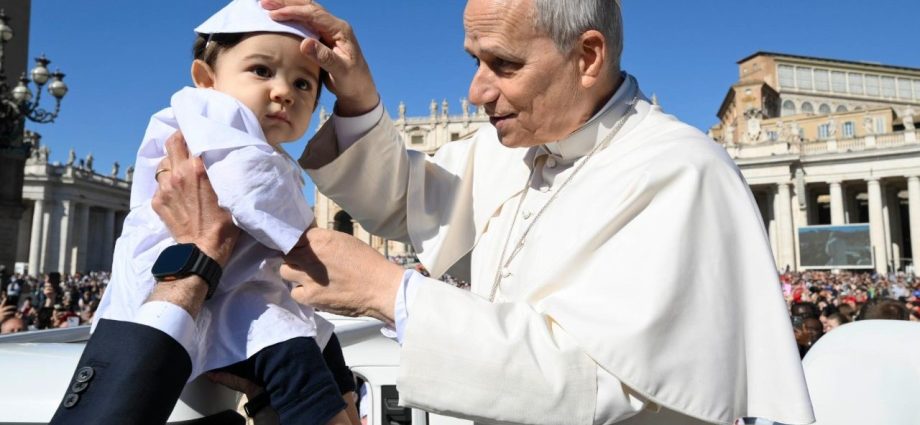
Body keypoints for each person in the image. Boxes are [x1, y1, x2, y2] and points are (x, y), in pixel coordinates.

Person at [162, 0, 815, 423]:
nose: (476, 91)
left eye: (503, 65)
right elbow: (400, 197)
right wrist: (356, 95)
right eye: (474, 61)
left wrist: (391, 293)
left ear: (587, 57)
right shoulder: (504, 146)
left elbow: (602, 387)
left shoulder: (678, 171)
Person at [51, 1, 353, 424]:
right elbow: (251, 190)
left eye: (304, 84)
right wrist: (311, 244)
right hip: (215, 296)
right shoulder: (211, 113)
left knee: (325, 351)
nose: (284, 91)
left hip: (228, 288)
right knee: (297, 363)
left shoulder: (248, 136)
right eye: (262, 71)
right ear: (206, 79)